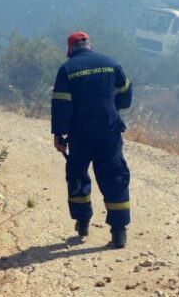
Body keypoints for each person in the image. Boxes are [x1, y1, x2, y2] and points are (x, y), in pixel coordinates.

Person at [51, 31, 133, 248]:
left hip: (80, 136)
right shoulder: (111, 63)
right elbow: (126, 92)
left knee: (77, 175)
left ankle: (83, 220)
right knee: (115, 177)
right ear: (90, 45)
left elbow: (61, 104)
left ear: (70, 50)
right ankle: (118, 230)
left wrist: (59, 134)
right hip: (109, 133)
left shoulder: (67, 70)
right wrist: (113, 107)